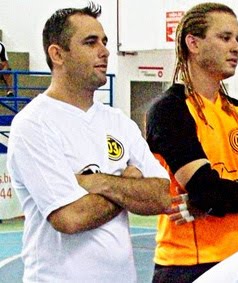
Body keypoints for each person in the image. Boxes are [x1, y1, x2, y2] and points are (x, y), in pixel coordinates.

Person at [6, 3, 171, 282]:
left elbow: (161, 195)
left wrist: (102, 182)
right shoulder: (34, 125)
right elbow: (71, 217)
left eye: (104, 42)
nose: (104, 51)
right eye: (90, 42)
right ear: (57, 54)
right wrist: (128, 183)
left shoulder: (118, 121)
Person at [145, 3, 238, 282]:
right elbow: (206, 189)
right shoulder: (169, 110)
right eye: (225, 38)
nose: (236, 47)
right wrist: (221, 197)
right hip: (189, 264)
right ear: (193, 43)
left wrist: (213, 202)